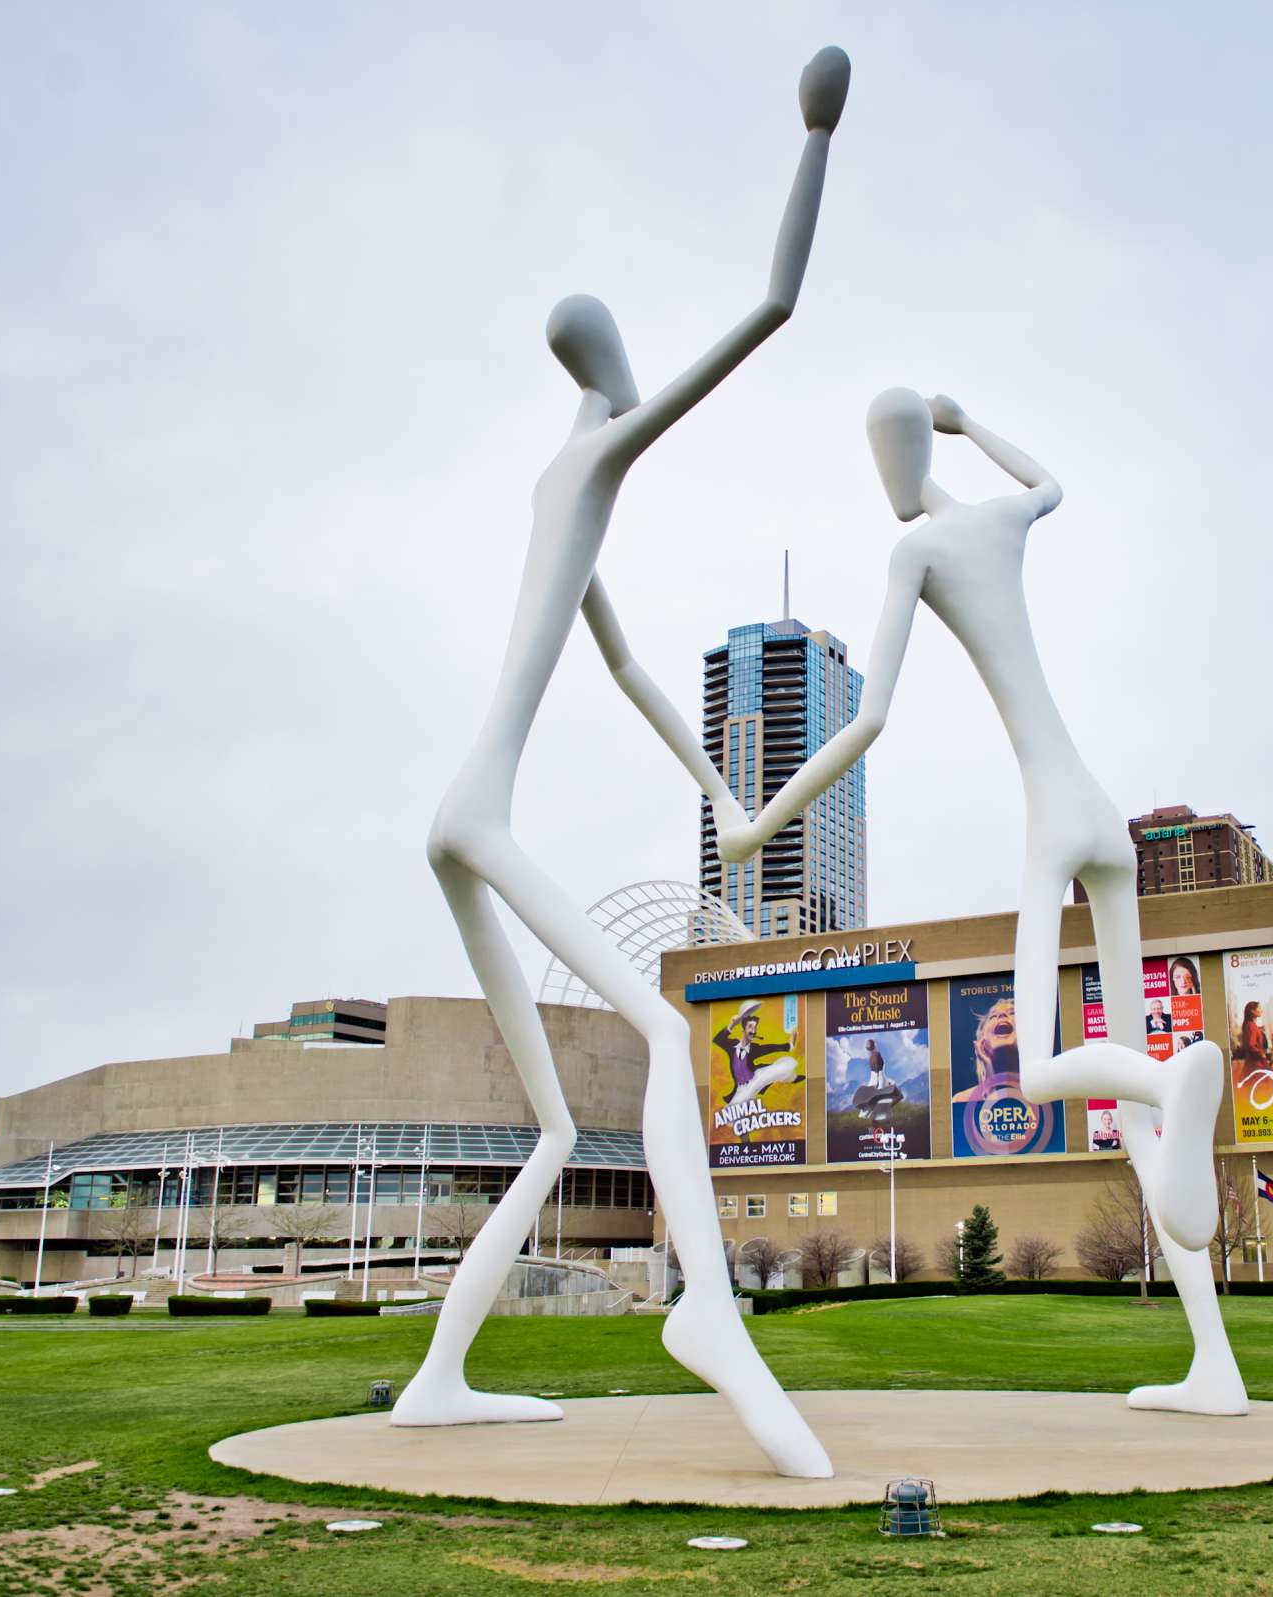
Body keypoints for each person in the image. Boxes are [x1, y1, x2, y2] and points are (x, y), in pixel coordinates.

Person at [394, 48, 851, 1482]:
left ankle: (438, 1382)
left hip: (457, 814)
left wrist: (719, 782)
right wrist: (818, 138)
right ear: (607, 369)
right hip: (482, 816)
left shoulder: (558, 488)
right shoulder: (598, 460)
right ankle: (709, 1312)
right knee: (664, 1039)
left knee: (549, 1131)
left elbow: (629, 663)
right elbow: (773, 308)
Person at [709, 391, 1243, 1417]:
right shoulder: (1000, 517)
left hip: (1053, 816)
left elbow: (866, 721)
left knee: (1045, 1069)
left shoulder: (915, 554)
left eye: (889, 456)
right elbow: (1050, 484)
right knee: (1131, 1113)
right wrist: (969, 422)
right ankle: (1214, 1362)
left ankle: (1171, 1086)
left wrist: (760, 818)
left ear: (893, 462)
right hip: (1108, 812)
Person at [713, 1001, 800, 1113]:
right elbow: (718, 1040)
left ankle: (792, 1077)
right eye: (750, 1027)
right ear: (743, 1029)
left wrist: (789, 1045)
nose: (753, 1031)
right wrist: (733, 1024)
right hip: (741, 1090)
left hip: (755, 1080)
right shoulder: (731, 1046)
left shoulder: (754, 1048)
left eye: (755, 1028)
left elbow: (770, 1048)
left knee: (780, 1068)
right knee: (732, 1115)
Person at [1233, 999, 1271, 1067]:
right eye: (1259, 1008)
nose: (1261, 1010)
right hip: (1255, 1063)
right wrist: (1262, 1054)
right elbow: (1251, 1045)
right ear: (1252, 1011)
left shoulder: (1251, 1025)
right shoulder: (1251, 1026)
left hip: (1254, 1062)